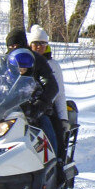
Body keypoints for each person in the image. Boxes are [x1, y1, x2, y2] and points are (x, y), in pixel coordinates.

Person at [5, 29, 62, 159]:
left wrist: (40, 104)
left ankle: (54, 161)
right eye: (11, 46)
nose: (14, 49)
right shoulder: (5, 60)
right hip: (9, 108)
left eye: (17, 46)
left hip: (34, 107)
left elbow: (51, 85)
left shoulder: (37, 59)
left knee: (46, 125)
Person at [27, 24, 68, 157]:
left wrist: (63, 118)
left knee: (52, 133)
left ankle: (57, 161)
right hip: (25, 107)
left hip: (47, 108)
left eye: (42, 43)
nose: (39, 47)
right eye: (36, 43)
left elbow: (59, 93)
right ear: (30, 44)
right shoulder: (24, 61)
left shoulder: (53, 65)